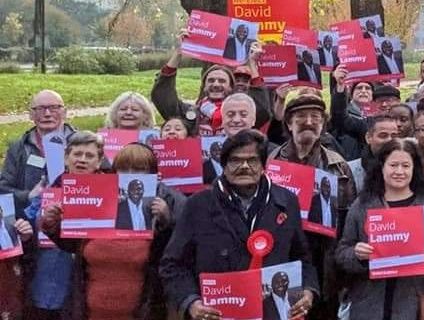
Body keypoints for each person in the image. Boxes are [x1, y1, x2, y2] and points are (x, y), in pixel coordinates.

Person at [161, 129, 318, 320]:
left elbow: (303, 258)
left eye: (252, 160)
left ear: (263, 166)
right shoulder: (197, 204)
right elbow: (172, 265)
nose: (244, 166)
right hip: (217, 314)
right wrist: (191, 302)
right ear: (224, 166)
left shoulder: (286, 201)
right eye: (235, 160)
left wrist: (308, 290)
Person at [41, 141, 186, 319]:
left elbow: (173, 258)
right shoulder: (97, 201)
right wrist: (52, 225)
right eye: (124, 169)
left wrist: (166, 221)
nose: (131, 176)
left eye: (140, 170)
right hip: (91, 310)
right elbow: (74, 245)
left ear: (154, 175)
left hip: (142, 311)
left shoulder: (168, 203)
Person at [336, 139, 424, 319]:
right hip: (368, 305)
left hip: (414, 306)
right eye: (393, 165)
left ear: (414, 169)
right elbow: (341, 253)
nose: (399, 171)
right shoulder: (363, 205)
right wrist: (357, 255)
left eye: (406, 165)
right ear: (382, 167)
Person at [267, 93, 355, 320]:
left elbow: (349, 216)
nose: (308, 122)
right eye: (301, 116)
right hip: (284, 256)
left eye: (315, 117)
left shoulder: (339, 165)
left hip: (324, 258)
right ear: (288, 123)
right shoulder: (272, 162)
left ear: (323, 124)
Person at [0, 90, 71, 319]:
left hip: (69, 231)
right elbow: (3, 187)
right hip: (28, 232)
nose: (47, 113)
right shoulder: (19, 146)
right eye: (40, 109)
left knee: (69, 294)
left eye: (54, 107)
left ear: (65, 111)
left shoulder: (80, 141)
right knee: (32, 294)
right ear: (31, 115)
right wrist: (28, 196)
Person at [153, 29, 271, 136]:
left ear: (231, 87)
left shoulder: (241, 115)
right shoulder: (191, 114)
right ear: (204, 87)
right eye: (210, 80)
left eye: (222, 81)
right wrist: (178, 53)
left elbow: (262, 109)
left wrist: (252, 63)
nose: (215, 84)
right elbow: (163, 98)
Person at [347, 114, 400, 193]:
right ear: (368, 138)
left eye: (394, 136)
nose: (389, 140)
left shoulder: (409, 168)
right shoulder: (349, 170)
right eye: (383, 135)